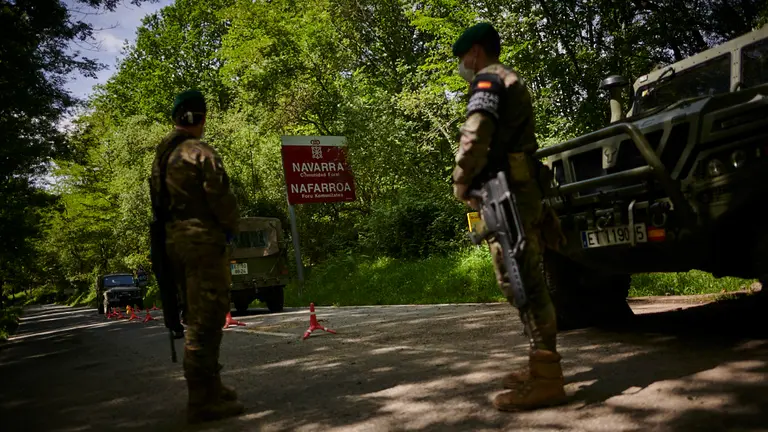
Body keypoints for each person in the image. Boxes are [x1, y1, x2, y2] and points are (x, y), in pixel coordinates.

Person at [451, 22, 567, 411]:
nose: (461, 66)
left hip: (510, 195)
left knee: (522, 279)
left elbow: (476, 135)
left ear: (476, 52)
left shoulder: (489, 81)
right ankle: (540, 364)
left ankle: (547, 378)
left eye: (462, 58)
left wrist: (461, 181)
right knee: (522, 277)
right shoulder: (509, 79)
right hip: (518, 191)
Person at [149, 89, 244, 424]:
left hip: (173, 244)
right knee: (207, 317)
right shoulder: (198, 152)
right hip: (201, 243)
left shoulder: (164, 154)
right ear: (199, 117)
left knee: (196, 313)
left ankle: (212, 386)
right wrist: (231, 226)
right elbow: (220, 197)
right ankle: (201, 400)